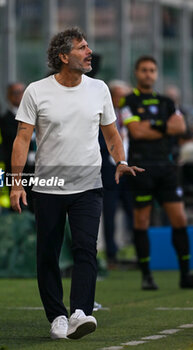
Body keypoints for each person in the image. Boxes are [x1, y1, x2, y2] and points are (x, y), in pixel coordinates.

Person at [10, 27, 143, 340]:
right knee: (48, 254)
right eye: (82, 48)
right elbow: (22, 138)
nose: (89, 53)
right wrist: (16, 184)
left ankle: (80, 312)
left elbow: (111, 134)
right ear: (63, 56)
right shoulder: (36, 91)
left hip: (88, 185)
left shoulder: (99, 89)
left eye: (88, 47)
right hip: (47, 186)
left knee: (86, 249)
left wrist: (120, 160)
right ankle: (56, 316)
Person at [120, 55, 193, 290]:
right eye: (144, 70)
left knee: (179, 219)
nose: (148, 74)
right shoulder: (128, 101)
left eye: (152, 70)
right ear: (136, 72)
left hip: (166, 168)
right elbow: (136, 131)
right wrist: (164, 127)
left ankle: (185, 274)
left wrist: (151, 125)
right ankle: (146, 276)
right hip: (141, 167)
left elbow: (181, 127)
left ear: (157, 74)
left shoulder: (166, 101)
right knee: (142, 221)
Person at [99, 80, 133, 267]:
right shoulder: (103, 117)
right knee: (109, 214)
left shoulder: (129, 116)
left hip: (129, 171)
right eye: (119, 96)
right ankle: (111, 252)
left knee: (133, 211)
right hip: (110, 171)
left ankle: (134, 249)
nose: (122, 100)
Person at [1, 83, 36, 212]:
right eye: (16, 93)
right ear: (8, 96)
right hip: (15, 173)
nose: (20, 96)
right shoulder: (5, 121)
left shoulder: (33, 116)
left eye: (22, 92)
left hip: (34, 174)